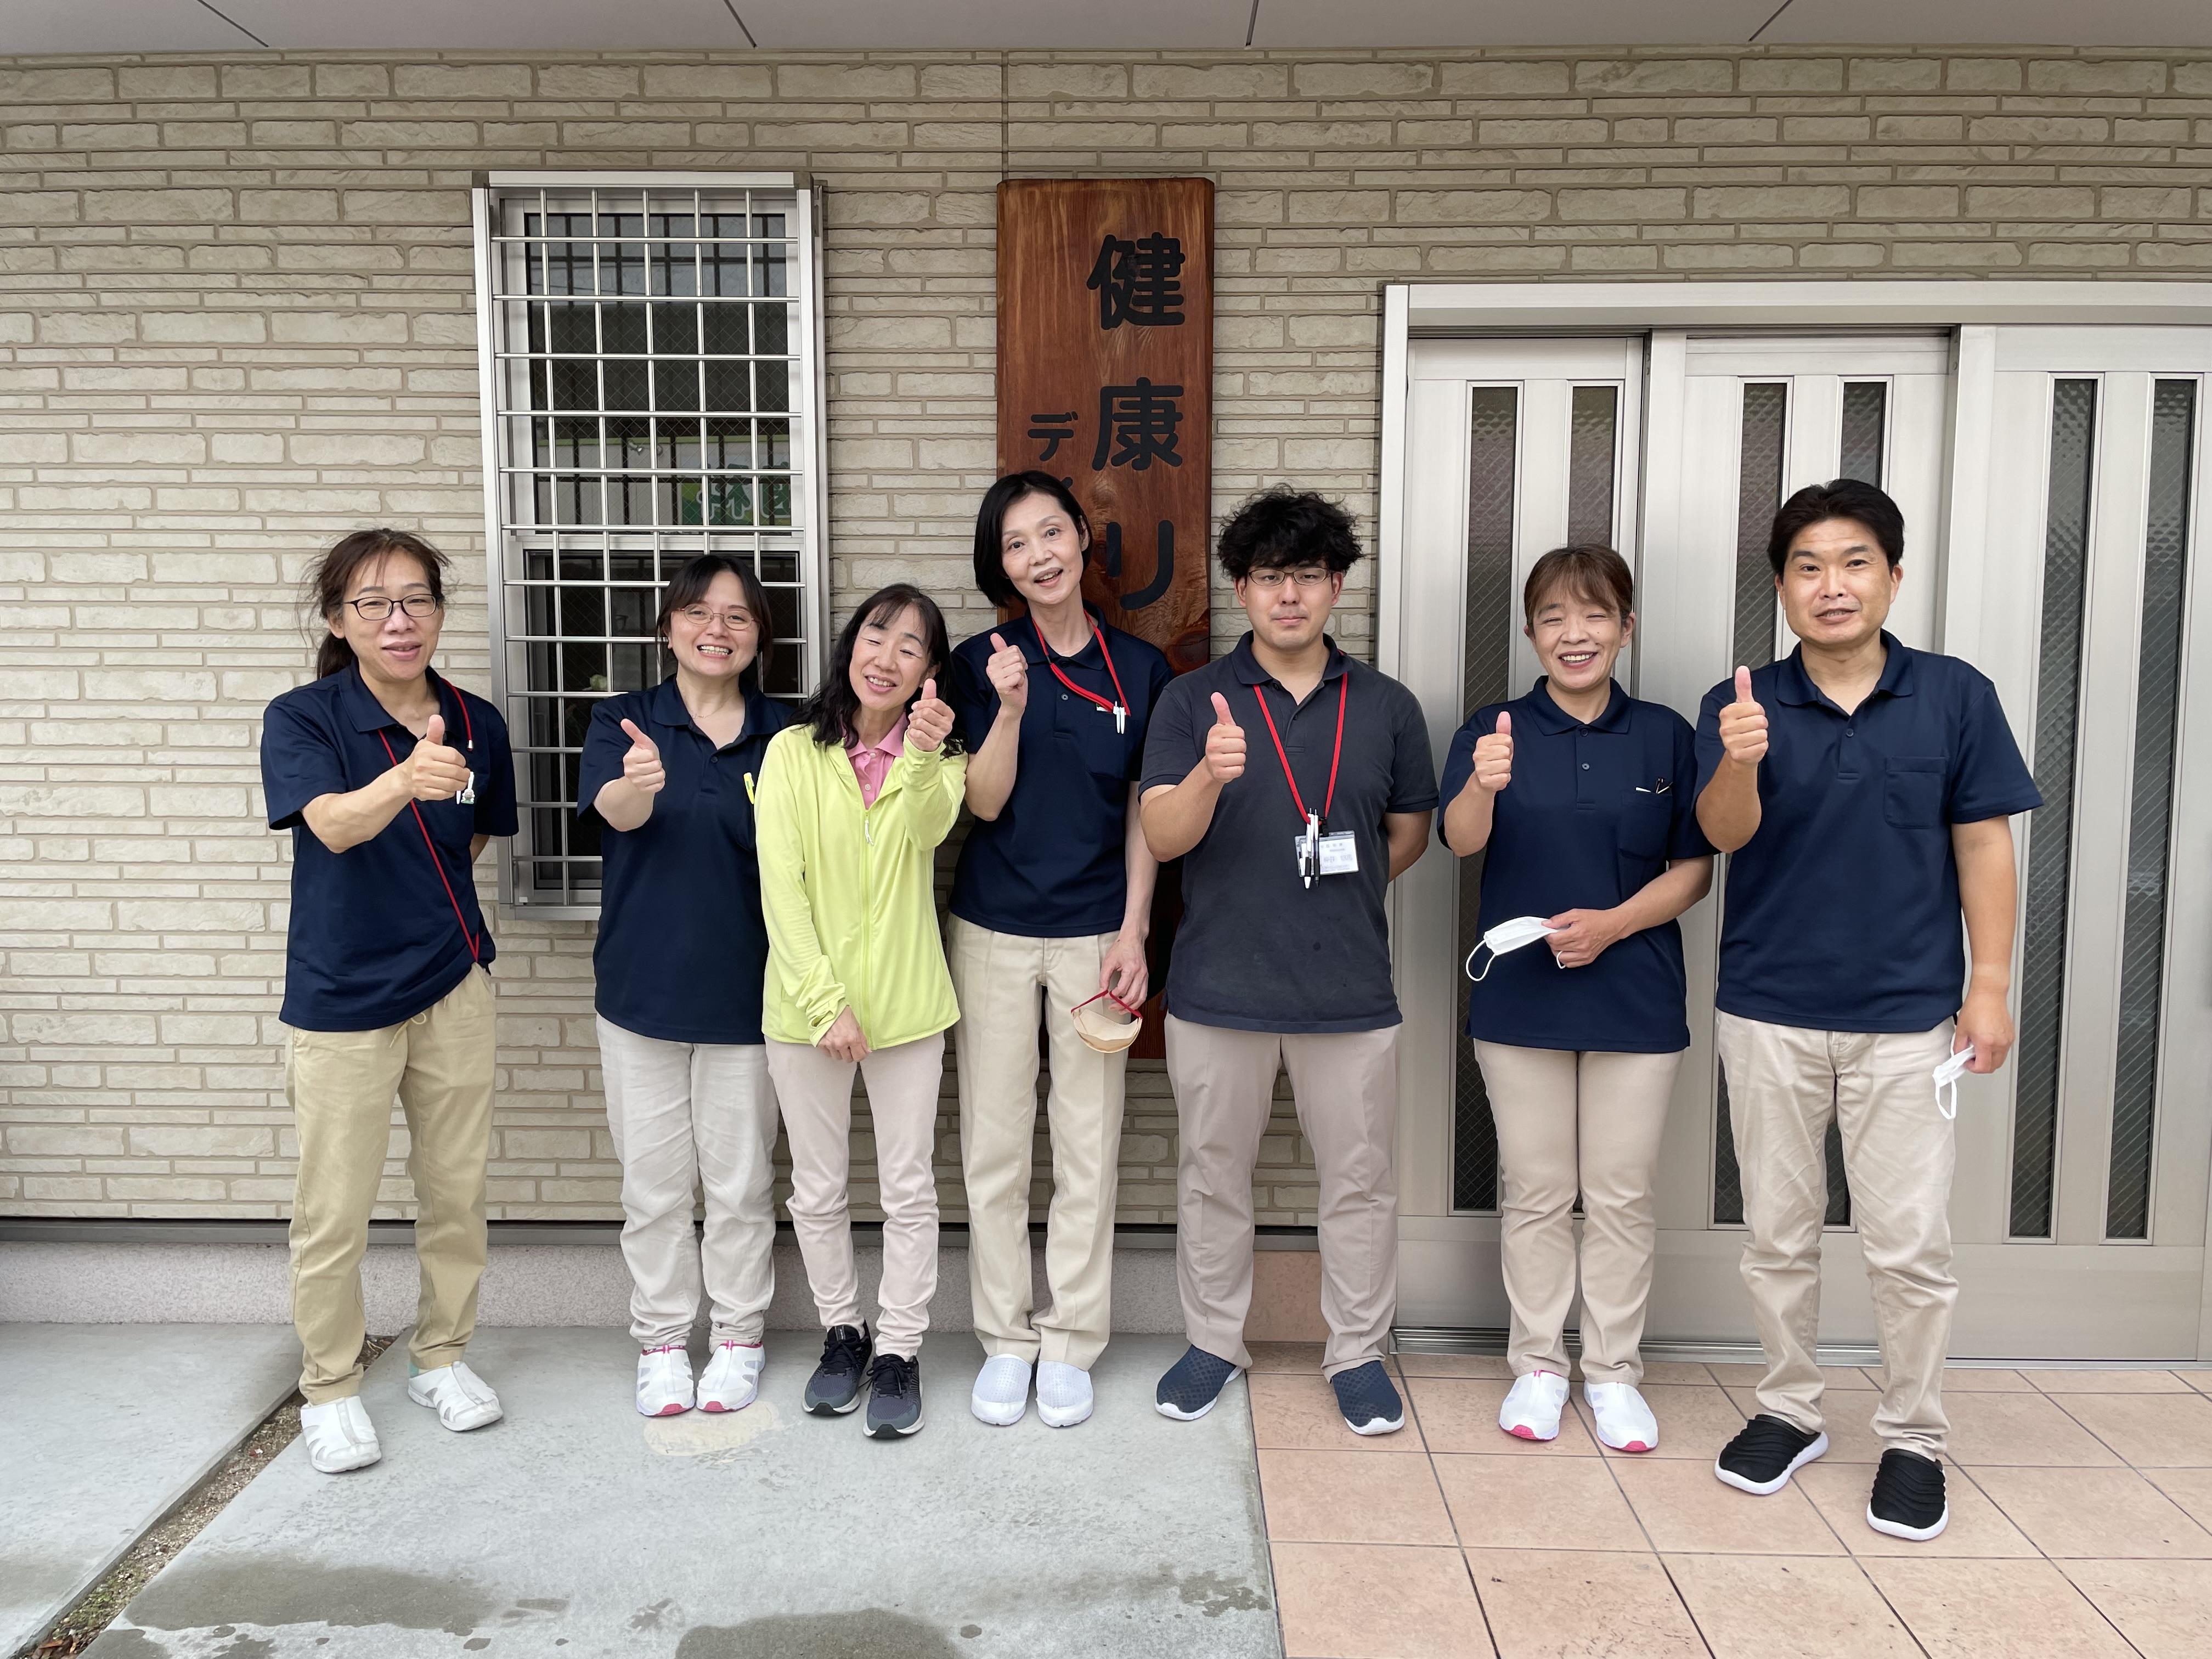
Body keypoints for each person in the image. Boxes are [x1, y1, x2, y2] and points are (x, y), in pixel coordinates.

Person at [1696, 479, 2040, 1542]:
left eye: (1853, 562)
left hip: (1908, 1019)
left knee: (1909, 1246)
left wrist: (1989, 988)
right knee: (1777, 1234)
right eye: (1807, 566)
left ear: (1892, 576)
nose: (1831, 585)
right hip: (1770, 1009)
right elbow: (1722, 834)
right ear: (1781, 587)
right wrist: (1740, 758)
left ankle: (1914, 1437)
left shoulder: (1955, 695)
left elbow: (1984, 842)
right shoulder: (1742, 700)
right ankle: (1790, 1409)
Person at [1140, 488, 1437, 1435]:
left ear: (1337, 585)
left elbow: (1407, 834)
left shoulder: (1387, 706)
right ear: (1241, 588)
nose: (1289, 596)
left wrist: (1328, 888)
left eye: (1308, 576)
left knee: (1360, 1182)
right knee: (1212, 1176)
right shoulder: (1193, 701)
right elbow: (1162, 834)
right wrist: (1208, 774)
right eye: (1270, 577)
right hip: (1217, 989)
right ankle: (1213, 1343)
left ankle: (1357, 1352)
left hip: (1348, 991)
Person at [1440, 545, 1714, 1453]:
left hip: (1636, 995)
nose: (1575, 633)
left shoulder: (1666, 735)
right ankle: (1539, 1367)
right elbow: (1459, 841)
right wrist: (1482, 782)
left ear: (1625, 628)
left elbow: (1694, 870)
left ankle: (1614, 1375)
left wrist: (1614, 925)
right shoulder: (1495, 729)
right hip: (1521, 997)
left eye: (1594, 614)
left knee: (1621, 1194)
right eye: (1554, 617)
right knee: (1538, 1191)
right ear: (1531, 632)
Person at [259, 529, 517, 1474]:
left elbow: (475, 838)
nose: (399, 621)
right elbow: (330, 826)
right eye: (373, 604)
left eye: (416, 600)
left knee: (456, 1193)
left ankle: (439, 1356)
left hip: (454, 983)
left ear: (440, 612)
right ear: (339, 620)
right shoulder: (305, 717)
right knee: (334, 1209)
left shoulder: (477, 720)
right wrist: (405, 780)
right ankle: (329, 1388)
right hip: (342, 995)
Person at [945, 473, 1173, 1430]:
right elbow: (982, 802)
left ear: (1083, 537)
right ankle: (1005, 1339)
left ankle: (1072, 1339)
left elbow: (1143, 809)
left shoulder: (1142, 669)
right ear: (1001, 568)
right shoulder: (978, 662)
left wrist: (1135, 929)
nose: (1039, 555)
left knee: (1088, 1144)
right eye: (1015, 544)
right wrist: (1006, 709)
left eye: (1051, 533)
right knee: (995, 1146)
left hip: (1095, 938)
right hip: (993, 930)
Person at [578, 556, 793, 1418]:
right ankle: (663, 1341)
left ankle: (739, 1335)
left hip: (751, 997)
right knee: (654, 1188)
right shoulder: (623, 719)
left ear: (760, 637)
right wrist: (636, 786)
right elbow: (615, 814)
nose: (717, 630)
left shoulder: (788, 734)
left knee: (741, 1185)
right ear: (668, 628)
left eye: (738, 616)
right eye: (699, 612)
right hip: (642, 995)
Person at [755, 584, 966, 1439]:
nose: (888, 658)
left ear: (929, 672)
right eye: (877, 636)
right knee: (818, 1187)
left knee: (910, 1188)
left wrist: (920, 754)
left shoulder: (944, 759)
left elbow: (925, 832)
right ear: (851, 647)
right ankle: (843, 1332)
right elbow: (781, 887)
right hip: (804, 1012)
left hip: (910, 1009)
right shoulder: (791, 753)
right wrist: (825, 1003)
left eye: (911, 647)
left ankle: (901, 1349)